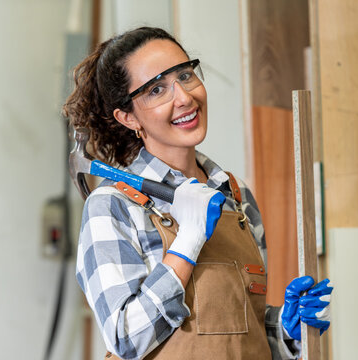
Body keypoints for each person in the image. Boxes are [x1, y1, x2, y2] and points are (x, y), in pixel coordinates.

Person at [63, 27, 333, 360]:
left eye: (186, 75)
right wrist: (187, 241)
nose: (184, 97)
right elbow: (125, 338)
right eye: (157, 89)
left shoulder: (236, 194)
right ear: (128, 117)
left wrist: (286, 330)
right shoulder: (113, 206)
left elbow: (238, 331)